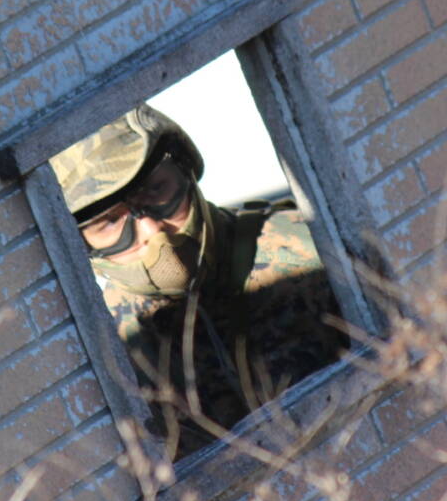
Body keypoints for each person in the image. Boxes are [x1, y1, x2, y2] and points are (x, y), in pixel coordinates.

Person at [51, 104, 348, 455]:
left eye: (157, 191)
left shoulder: (309, 246)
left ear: (187, 171)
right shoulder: (108, 352)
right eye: (110, 223)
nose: (153, 231)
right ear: (81, 245)